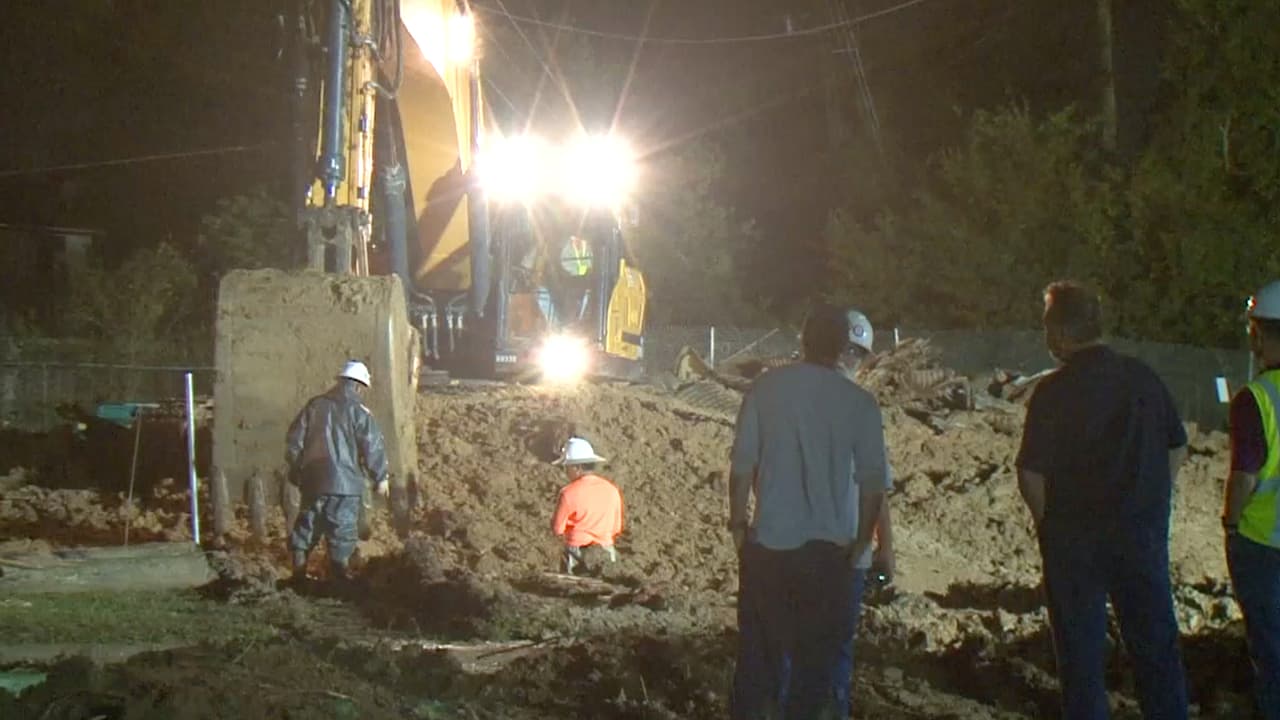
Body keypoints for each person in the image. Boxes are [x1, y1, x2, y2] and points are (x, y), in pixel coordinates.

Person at [1016, 281, 1188, 720]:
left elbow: (1030, 471)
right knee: (1157, 654)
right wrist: (1154, 499)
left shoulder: (1053, 392)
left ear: (1058, 332)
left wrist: (1048, 526)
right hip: (1140, 537)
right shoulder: (1142, 378)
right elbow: (1177, 446)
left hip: (1075, 544)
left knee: (1081, 664)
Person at [729, 302, 889, 720]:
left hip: (771, 550)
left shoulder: (765, 389)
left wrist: (738, 527)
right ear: (843, 346)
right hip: (835, 558)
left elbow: (742, 467)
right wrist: (864, 547)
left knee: (760, 666)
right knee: (822, 673)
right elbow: (874, 485)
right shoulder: (860, 403)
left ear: (803, 339)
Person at [1224, 280, 1280, 720]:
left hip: (1262, 544)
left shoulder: (1257, 398)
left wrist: (1230, 522)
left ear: (1258, 333)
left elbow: (1244, 475)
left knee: (1271, 648)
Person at [285, 360, 389, 582]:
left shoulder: (314, 405)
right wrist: (380, 477)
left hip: (313, 481)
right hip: (346, 485)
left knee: (307, 526)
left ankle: (298, 575)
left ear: (339, 381)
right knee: (342, 530)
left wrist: (298, 471)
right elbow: (372, 446)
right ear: (359, 387)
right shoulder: (360, 412)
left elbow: (294, 441)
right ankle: (338, 579)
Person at [550, 437, 624, 575]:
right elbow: (616, 528)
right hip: (606, 551)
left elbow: (557, 529)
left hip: (576, 553)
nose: (565, 471)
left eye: (567, 467)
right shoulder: (612, 490)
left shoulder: (568, 493)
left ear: (577, 468)